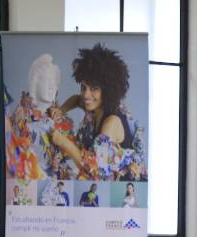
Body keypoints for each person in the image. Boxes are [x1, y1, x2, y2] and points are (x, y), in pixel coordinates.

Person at [49, 43, 147, 181]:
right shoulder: (95, 105)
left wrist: (63, 142)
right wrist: (61, 110)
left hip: (119, 191)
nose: (86, 95)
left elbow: (92, 169)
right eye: (83, 87)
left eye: (94, 88)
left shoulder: (111, 123)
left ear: (107, 90)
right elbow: (77, 100)